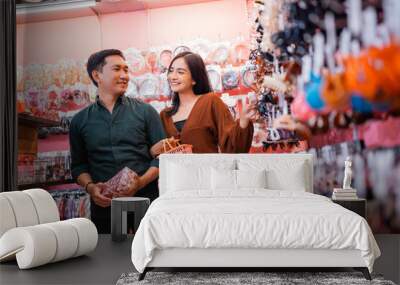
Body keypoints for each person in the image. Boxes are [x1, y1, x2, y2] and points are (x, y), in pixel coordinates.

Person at [69, 49, 165, 233]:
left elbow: (162, 157)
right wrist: (90, 187)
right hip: (105, 207)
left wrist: (141, 182)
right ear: (97, 75)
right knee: (109, 257)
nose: (124, 76)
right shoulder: (79, 121)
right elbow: (78, 166)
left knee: (150, 257)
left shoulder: (146, 112)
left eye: (126, 70)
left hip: (146, 203)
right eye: (117, 69)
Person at [157, 52, 257, 153]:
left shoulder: (210, 102)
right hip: (174, 169)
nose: (172, 76)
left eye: (180, 72)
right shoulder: (165, 116)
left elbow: (232, 145)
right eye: (171, 71)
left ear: (194, 79)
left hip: (207, 168)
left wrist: (244, 121)